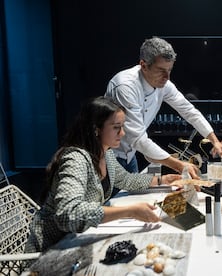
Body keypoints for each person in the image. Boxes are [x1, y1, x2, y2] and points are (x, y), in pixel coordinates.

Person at [26, 97, 182, 252]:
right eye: (116, 127)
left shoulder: (106, 153)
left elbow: (126, 179)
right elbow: (68, 214)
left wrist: (162, 180)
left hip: (78, 239)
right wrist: (130, 211)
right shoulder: (76, 159)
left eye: (122, 126)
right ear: (96, 129)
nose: (123, 133)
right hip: (50, 250)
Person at [105, 37, 222, 180]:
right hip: (109, 156)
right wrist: (179, 165)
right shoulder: (125, 87)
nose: (167, 77)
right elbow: (138, 138)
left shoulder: (164, 84)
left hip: (130, 155)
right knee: (110, 201)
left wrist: (215, 141)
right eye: (161, 70)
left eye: (169, 70)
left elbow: (189, 111)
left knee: (132, 197)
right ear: (143, 65)